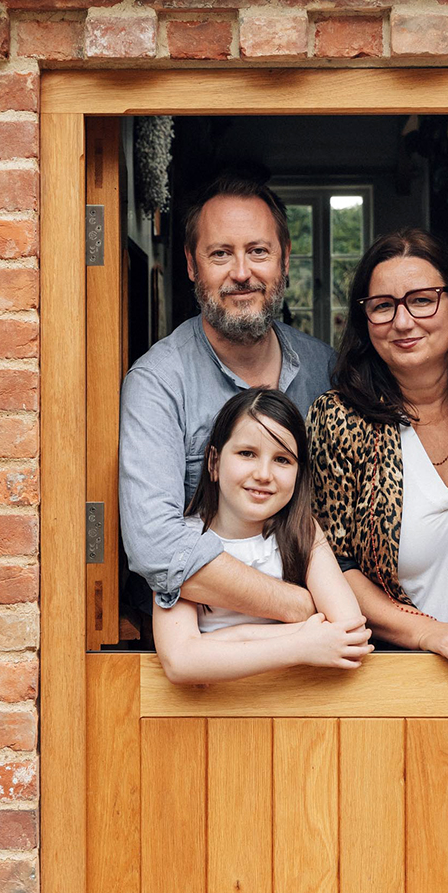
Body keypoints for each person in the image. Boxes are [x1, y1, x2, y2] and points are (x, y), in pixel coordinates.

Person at [306, 228, 448, 682]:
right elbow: (329, 564)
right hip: (408, 688)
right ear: (365, 321)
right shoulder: (341, 419)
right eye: (383, 306)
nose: (403, 323)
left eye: (422, 300)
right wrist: (431, 634)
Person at [120, 173, 336, 623]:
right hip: (207, 646)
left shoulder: (327, 370)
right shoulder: (159, 381)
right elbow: (155, 545)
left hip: (327, 654)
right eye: (221, 254)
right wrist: (301, 606)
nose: (242, 273)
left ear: (285, 260)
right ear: (192, 265)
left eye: (258, 251)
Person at [153, 388, 371, 683]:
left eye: (282, 460)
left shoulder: (302, 531)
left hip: (293, 708)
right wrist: (302, 644)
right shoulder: (183, 541)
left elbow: (350, 634)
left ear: (299, 472)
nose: (264, 474)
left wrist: (221, 641)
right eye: (247, 454)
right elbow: (180, 662)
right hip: (208, 715)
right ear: (214, 462)